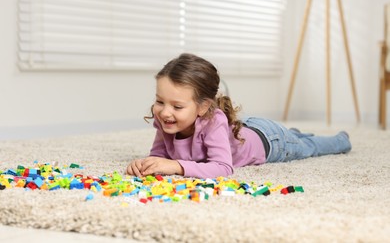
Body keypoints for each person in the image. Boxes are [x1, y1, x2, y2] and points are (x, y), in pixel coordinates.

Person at [126, 53, 352, 179]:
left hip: (270, 143)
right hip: (247, 129)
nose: (164, 112)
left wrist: (176, 166)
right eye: (159, 101)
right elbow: (160, 155)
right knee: (293, 136)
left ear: (203, 107)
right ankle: (292, 134)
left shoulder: (213, 122)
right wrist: (146, 164)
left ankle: (341, 141)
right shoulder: (165, 119)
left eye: (176, 106)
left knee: (307, 147)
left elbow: (223, 168)